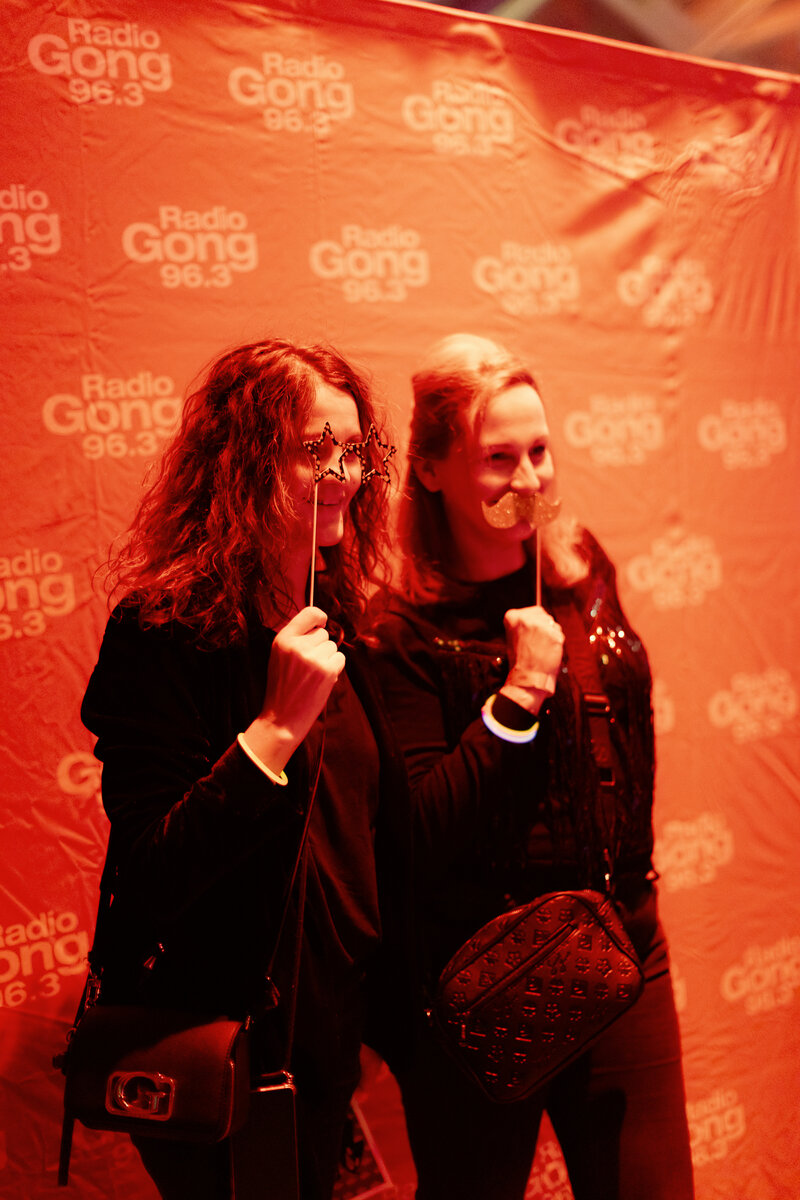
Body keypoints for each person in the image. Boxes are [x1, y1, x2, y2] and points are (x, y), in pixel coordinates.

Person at [79, 337, 412, 1200]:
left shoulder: (342, 621)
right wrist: (271, 731)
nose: (343, 473)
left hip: (331, 1041)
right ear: (242, 461)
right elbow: (151, 874)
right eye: (315, 449)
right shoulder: (165, 633)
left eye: (355, 450)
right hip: (225, 1046)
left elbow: (360, 845)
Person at [367, 333, 695, 1200]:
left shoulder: (582, 569)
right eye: (497, 458)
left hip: (622, 941)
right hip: (485, 972)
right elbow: (419, 829)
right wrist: (518, 696)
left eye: (540, 451)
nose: (529, 479)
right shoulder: (400, 629)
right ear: (430, 470)